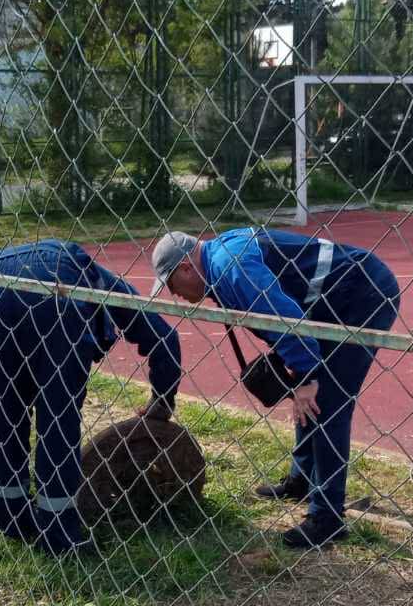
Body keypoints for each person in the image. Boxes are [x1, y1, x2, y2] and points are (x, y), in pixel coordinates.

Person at [151, 227, 400, 549]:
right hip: (327, 301)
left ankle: (327, 518)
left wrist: (307, 376)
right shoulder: (219, 260)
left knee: (327, 402)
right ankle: (302, 480)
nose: (175, 294)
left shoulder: (230, 266)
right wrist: (301, 372)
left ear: (186, 267)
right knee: (308, 393)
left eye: (172, 284)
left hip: (361, 294)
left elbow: (282, 317)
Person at [0, 240, 181, 554]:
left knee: (1, 413)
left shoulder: (87, 274)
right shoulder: (100, 281)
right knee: (58, 420)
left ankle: (10, 517)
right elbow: (164, 336)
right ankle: (59, 535)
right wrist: (162, 399)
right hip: (58, 297)